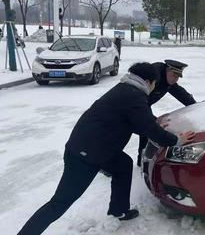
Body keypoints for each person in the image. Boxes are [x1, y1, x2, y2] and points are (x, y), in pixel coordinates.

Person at [17, 62, 195, 235]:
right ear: (148, 82)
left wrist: (152, 124)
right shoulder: (134, 96)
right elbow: (149, 130)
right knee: (60, 203)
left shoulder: (126, 90)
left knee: (124, 165)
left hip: (100, 148)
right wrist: (177, 139)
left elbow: (134, 123)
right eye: (154, 84)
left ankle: (119, 210)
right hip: (85, 154)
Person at [136, 59, 196, 166]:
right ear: (167, 70)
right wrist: (154, 122)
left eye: (178, 77)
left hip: (144, 105)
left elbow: (181, 94)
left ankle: (143, 159)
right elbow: (138, 99)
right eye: (174, 75)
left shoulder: (168, 81)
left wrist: (195, 106)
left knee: (146, 132)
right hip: (132, 105)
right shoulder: (154, 77)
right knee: (143, 129)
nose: (175, 79)